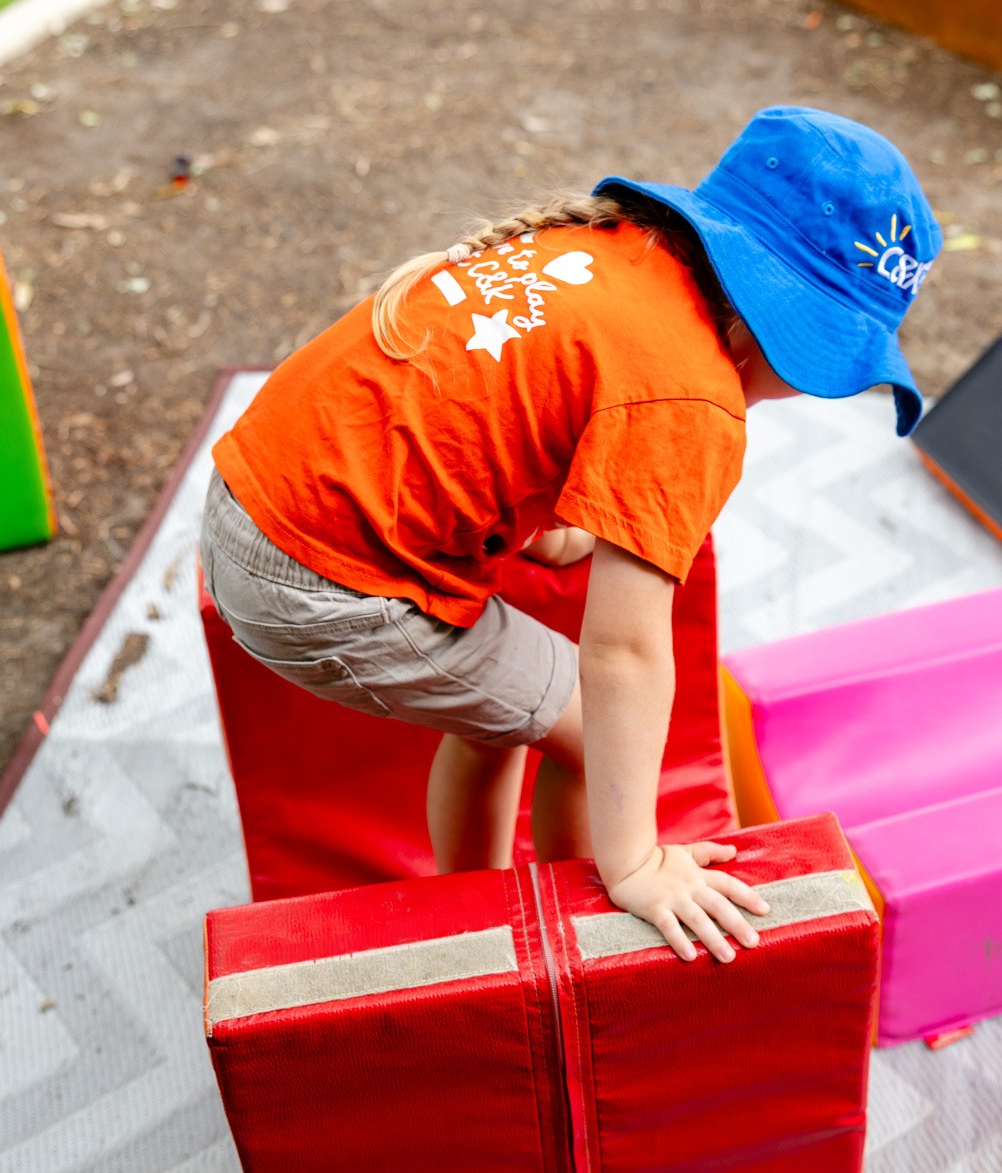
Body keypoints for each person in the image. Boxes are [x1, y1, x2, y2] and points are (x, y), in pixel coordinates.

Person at [200, 105, 940, 962]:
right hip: (319, 580)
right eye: (826, 359)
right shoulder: (690, 398)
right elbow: (625, 650)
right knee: (593, 729)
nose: (816, 388)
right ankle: (595, 917)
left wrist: (542, 520)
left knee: (510, 713)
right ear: (778, 316)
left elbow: (505, 398)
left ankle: (473, 909)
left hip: (262, 491)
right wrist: (640, 859)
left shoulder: (621, 250)